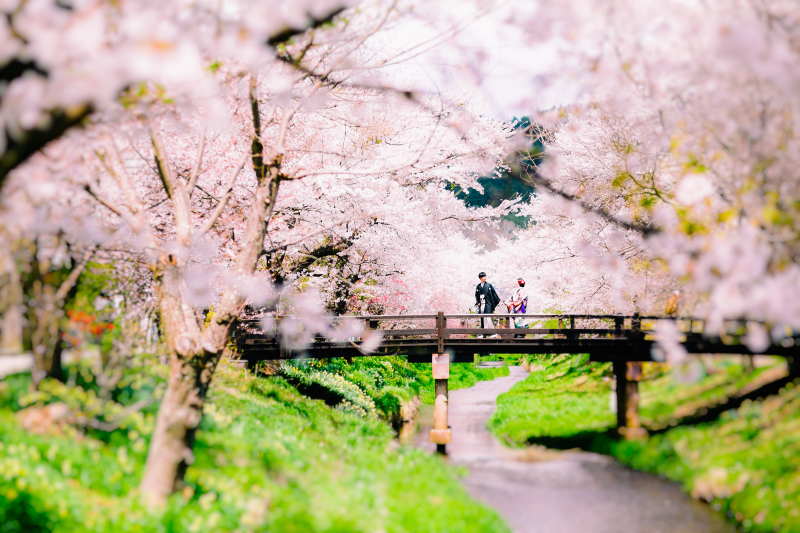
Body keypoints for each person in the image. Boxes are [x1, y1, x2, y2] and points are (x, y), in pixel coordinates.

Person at [475, 272, 500, 337]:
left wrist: (499, 301)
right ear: (480, 278)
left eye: (485, 276)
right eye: (483, 277)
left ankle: (493, 333)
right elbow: (477, 295)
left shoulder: (489, 285)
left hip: (488, 303)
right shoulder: (478, 286)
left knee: (488, 317)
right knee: (482, 318)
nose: (485, 278)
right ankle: (483, 334)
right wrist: (478, 302)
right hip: (481, 303)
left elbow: (494, 294)